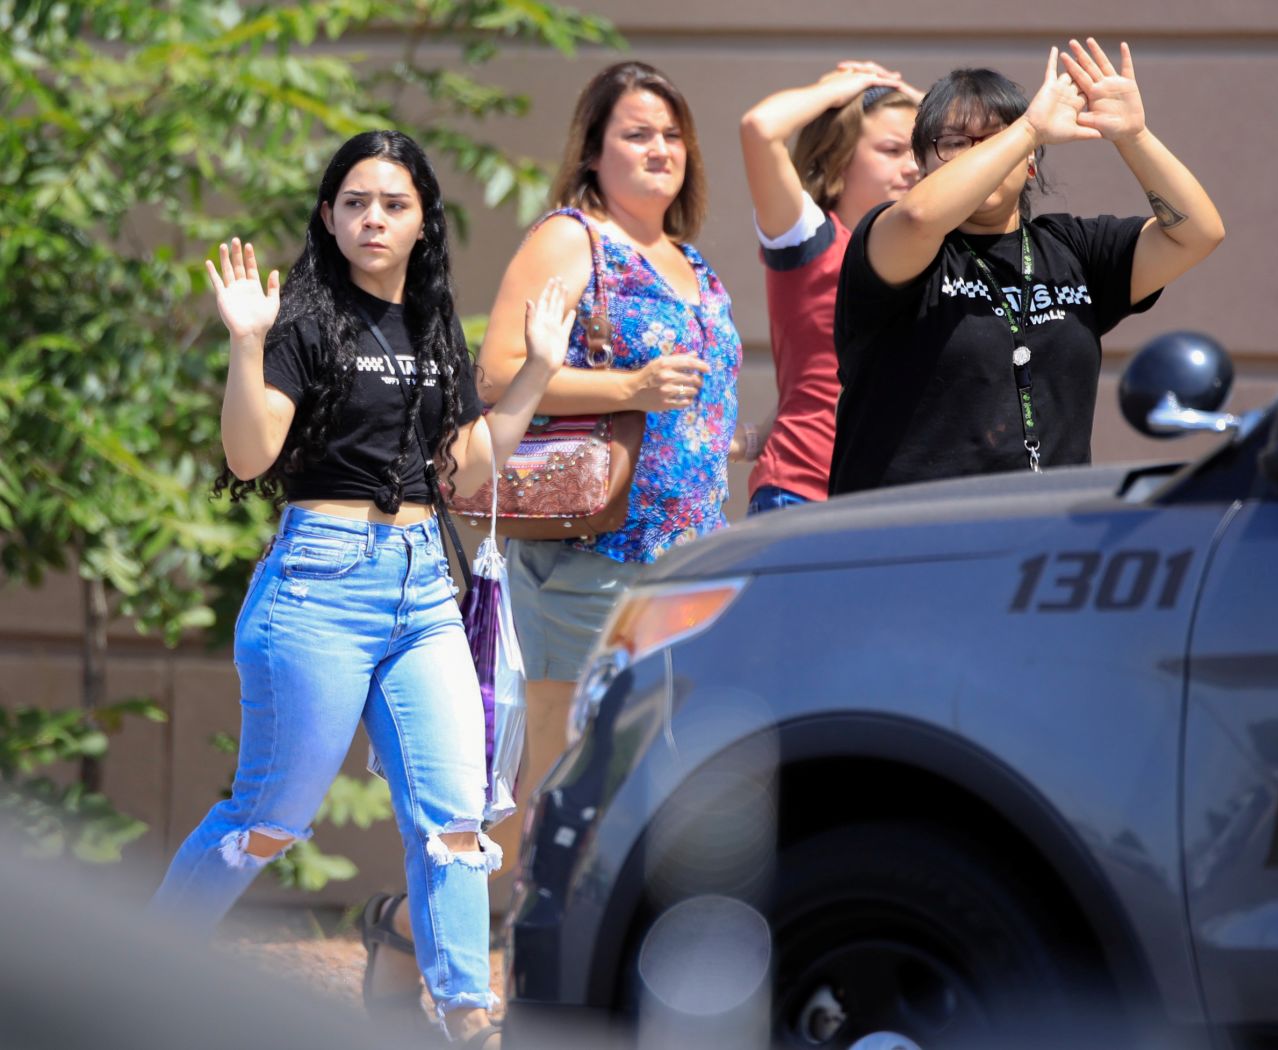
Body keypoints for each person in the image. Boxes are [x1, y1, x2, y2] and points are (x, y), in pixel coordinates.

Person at [149, 129, 574, 1050]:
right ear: (330, 219)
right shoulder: (301, 321)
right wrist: (245, 344)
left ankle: (468, 1017)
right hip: (318, 589)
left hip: (423, 592)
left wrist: (538, 368)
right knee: (268, 821)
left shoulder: (432, 330)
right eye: (354, 202)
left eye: (393, 204)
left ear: (424, 222)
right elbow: (250, 454)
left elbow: (465, 467)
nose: (372, 218)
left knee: (455, 819)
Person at [362, 60, 742, 1016]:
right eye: (636, 133)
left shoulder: (691, 260)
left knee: (658, 777)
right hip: (592, 562)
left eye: (671, 134)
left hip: (689, 559)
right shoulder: (575, 241)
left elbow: (686, 393)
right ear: (594, 149)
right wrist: (632, 390)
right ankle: (492, 963)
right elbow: (496, 375)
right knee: (571, 786)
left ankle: (455, 942)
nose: (658, 149)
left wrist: (708, 433)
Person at [829, 39, 1225, 494]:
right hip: (908, 535)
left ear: (1032, 165)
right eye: (954, 143)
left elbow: (1197, 234)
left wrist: (1134, 137)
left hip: (1041, 535)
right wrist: (1028, 129)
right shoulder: (892, 238)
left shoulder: (1073, 248)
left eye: (994, 138)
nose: (976, 154)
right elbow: (919, 217)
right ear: (922, 165)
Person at [735, 62, 922, 512]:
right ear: (839, 159)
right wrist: (837, 89)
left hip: (897, 504)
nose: (913, 167)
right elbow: (759, 128)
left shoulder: (930, 250)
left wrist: (912, 97)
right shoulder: (810, 235)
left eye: (917, 150)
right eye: (892, 150)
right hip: (804, 496)